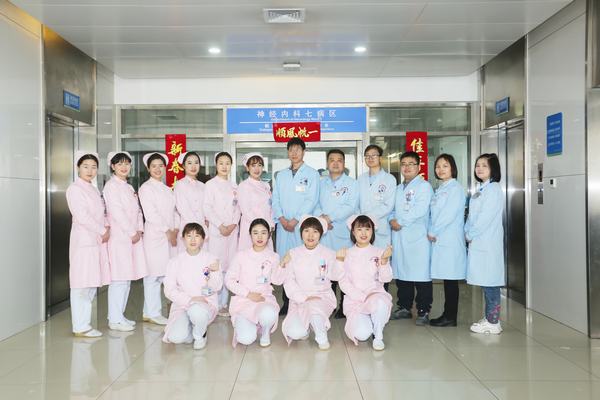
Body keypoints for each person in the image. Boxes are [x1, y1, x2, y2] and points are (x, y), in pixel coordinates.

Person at [272, 138, 320, 315]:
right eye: (291, 149)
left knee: (302, 263)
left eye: (297, 149)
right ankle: (287, 301)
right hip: (283, 226)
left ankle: (303, 300)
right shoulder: (281, 175)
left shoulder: (312, 174)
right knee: (286, 262)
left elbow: (311, 200)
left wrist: (295, 220)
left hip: (301, 226)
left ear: (304, 152)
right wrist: (282, 218)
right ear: (287, 152)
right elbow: (275, 199)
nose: (294, 153)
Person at [280, 216, 343, 350]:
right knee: (295, 333)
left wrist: (339, 261)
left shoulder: (329, 253)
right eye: (307, 231)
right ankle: (309, 326)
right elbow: (288, 281)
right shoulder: (293, 253)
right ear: (301, 233)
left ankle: (321, 335)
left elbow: (335, 276)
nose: (310, 235)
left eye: (315, 231)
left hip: (321, 297)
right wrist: (303, 298)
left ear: (321, 234)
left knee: (314, 309)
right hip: (299, 299)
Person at [66, 151, 111, 337]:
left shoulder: (93, 189)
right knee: (81, 284)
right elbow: (82, 216)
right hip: (84, 240)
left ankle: (84, 323)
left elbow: (101, 213)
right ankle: (80, 326)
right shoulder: (74, 189)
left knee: (91, 282)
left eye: (93, 167)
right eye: (85, 166)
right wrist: (102, 230)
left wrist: (105, 227)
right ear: (78, 168)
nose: (90, 170)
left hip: (95, 241)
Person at [103, 151, 147, 332]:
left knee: (126, 278)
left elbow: (138, 211)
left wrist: (139, 229)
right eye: (119, 164)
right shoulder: (111, 187)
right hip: (120, 238)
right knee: (119, 279)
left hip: (132, 238)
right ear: (113, 166)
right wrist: (131, 232)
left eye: (127, 164)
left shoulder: (128, 187)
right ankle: (114, 319)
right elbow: (117, 212)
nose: (124, 167)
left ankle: (119, 315)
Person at [225, 218, 286, 347]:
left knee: (268, 313)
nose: (259, 237)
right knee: (246, 339)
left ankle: (265, 331)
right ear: (250, 235)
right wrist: (248, 294)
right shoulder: (241, 256)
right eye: (255, 233)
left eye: (263, 233)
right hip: (244, 301)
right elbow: (229, 280)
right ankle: (250, 326)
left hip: (264, 299)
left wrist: (282, 266)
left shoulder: (273, 256)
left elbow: (277, 281)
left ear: (269, 235)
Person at [390, 151, 433, 325]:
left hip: (418, 238)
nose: (407, 167)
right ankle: (404, 307)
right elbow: (392, 209)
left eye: (411, 164)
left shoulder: (424, 187)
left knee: (421, 276)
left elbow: (420, 210)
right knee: (402, 274)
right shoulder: (398, 189)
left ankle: (423, 310)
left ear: (418, 166)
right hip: (399, 236)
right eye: (404, 164)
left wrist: (400, 221)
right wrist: (391, 219)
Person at [337, 215, 393, 350]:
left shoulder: (379, 252)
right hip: (355, 301)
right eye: (359, 229)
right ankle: (370, 321)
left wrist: (384, 262)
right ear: (353, 232)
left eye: (367, 229)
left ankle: (378, 336)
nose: (363, 233)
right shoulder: (346, 253)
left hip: (375, 296)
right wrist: (362, 297)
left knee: (380, 303)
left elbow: (386, 279)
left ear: (372, 231)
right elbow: (343, 282)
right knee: (362, 334)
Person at [162, 223, 222, 349]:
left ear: (203, 239)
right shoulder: (175, 261)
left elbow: (217, 286)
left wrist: (216, 272)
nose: (193, 240)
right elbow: (169, 290)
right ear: (183, 238)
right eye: (189, 236)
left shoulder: (211, 259)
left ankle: (200, 335)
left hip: (204, 303)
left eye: (197, 236)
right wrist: (190, 299)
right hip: (182, 304)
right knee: (175, 337)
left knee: (197, 311)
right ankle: (191, 327)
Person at [315, 149, 359, 319]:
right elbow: (315, 204)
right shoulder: (321, 183)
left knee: (345, 270)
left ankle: (344, 306)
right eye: (332, 160)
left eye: (339, 160)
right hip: (325, 232)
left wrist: (330, 218)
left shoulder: (352, 184)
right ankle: (329, 304)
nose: (335, 163)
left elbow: (350, 206)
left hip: (342, 231)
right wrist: (322, 218)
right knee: (326, 270)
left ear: (344, 164)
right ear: (327, 163)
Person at [466, 153, 505, 334]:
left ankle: (493, 322)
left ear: (493, 169)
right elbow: (472, 216)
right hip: (479, 241)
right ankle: (490, 317)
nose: (479, 168)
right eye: (478, 165)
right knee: (486, 281)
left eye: (484, 166)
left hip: (487, 242)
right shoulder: (482, 189)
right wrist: (467, 231)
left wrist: (470, 233)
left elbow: (485, 218)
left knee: (491, 282)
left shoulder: (493, 189)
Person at [138, 152, 179, 326]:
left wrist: (175, 229)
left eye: (161, 166)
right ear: (148, 169)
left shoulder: (167, 188)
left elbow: (174, 211)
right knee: (153, 276)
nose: (157, 169)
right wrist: (167, 231)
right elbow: (151, 214)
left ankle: (150, 311)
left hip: (169, 236)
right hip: (155, 236)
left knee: (164, 274)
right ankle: (152, 313)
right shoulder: (146, 188)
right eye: (154, 166)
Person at [428, 154, 467, 328]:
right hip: (441, 239)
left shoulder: (455, 189)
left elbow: (448, 214)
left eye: (445, 166)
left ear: (452, 168)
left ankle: (450, 316)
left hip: (450, 239)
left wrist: (433, 230)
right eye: (438, 166)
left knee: (451, 280)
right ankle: (448, 314)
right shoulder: (441, 188)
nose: (440, 169)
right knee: (447, 279)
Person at [203, 151, 241, 317]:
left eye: (227, 163)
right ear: (216, 165)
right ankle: (214, 302)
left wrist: (233, 224)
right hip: (217, 230)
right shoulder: (210, 185)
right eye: (221, 163)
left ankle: (224, 303)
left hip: (231, 231)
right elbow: (207, 208)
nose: (224, 166)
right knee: (216, 266)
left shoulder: (235, 186)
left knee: (229, 266)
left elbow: (238, 207)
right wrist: (220, 225)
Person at [358, 144, 396, 249]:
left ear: (380, 158)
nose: (370, 158)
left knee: (381, 256)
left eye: (373, 155)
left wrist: (367, 217)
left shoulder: (389, 179)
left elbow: (388, 205)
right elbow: (357, 202)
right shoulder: (361, 179)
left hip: (380, 227)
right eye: (367, 156)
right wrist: (361, 218)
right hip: (362, 228)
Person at [237, 153, 274, 250]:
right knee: (250, 255)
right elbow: (246, 211)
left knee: (266, 256)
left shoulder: (266, 186)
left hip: (266, 229)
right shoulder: (243, 186)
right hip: (251, 228)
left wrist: (271, 224)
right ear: (247, 168)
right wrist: (260, 227)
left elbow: (271, 207)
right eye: (253, 165)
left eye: (259, 165)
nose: (257, 169)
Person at [174, 151, 207, 251]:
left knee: (202, 257)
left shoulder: (203, 186)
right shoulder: (179, 184)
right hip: (187, 228)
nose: (193, 166)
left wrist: (206, 222)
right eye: (189, 163)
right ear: (183, 166)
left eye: (196, 163)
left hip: (202, 228)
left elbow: (207, 206)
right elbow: (183, 208)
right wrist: (198, 227)